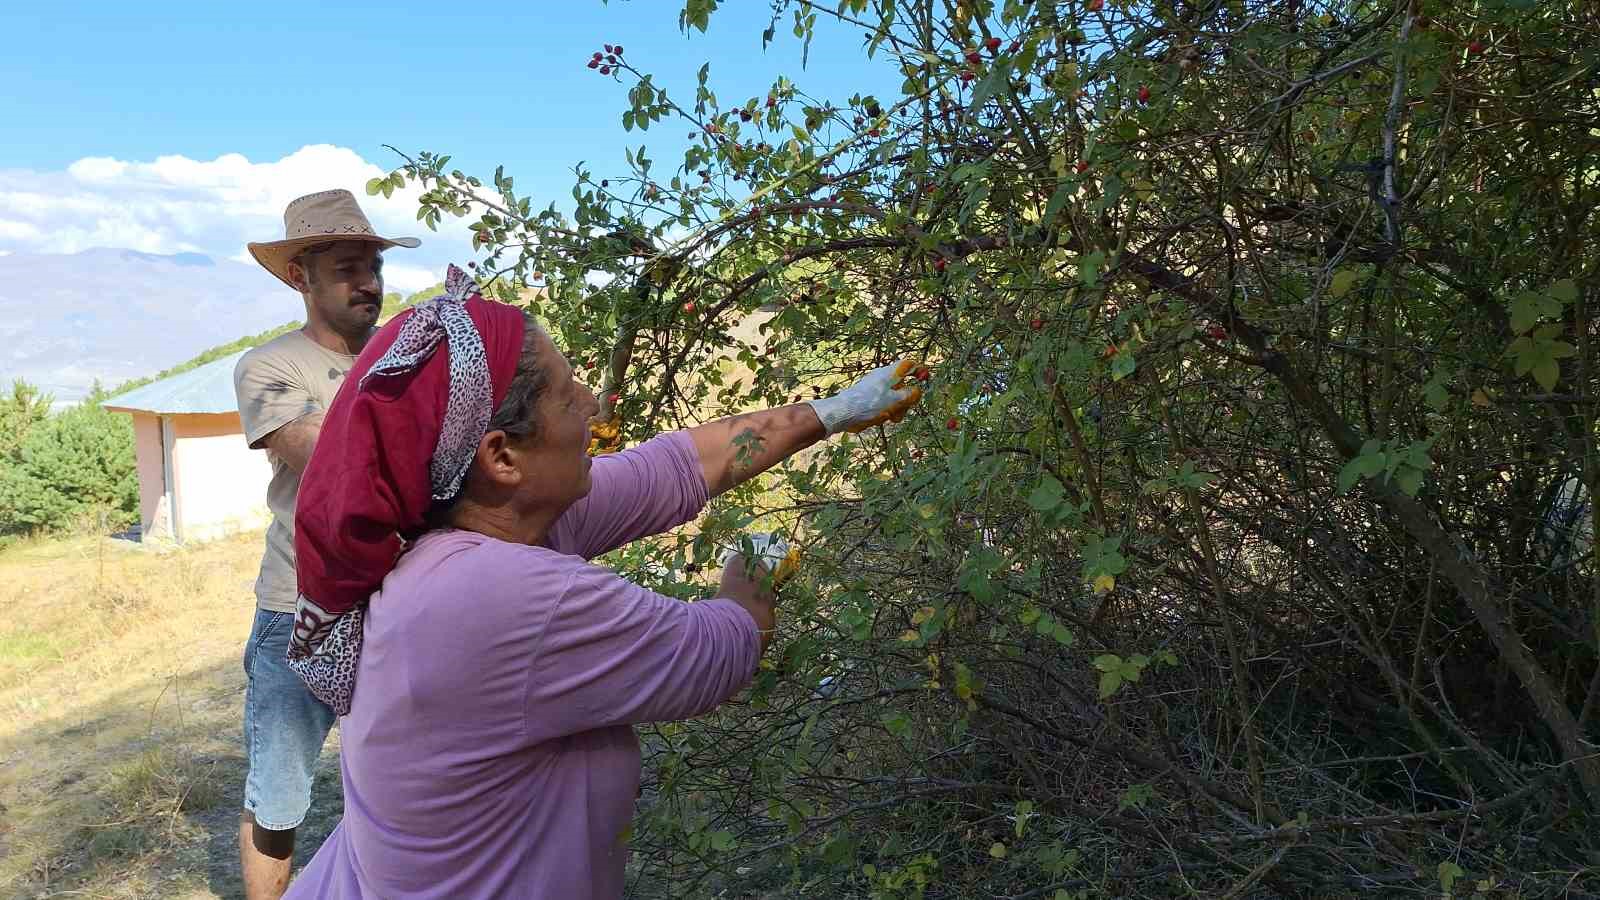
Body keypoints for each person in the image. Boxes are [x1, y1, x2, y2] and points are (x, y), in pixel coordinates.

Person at [279, 265, 923, 898]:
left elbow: (675, 468)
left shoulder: (482, 525)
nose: (591, 402)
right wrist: (749, 572)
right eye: (566, 394)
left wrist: (836, 410)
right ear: (501, 456)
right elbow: (716, 652)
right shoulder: (496, 595)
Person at [232, 189, 421, 900]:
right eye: (347, 267)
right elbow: (316, 453)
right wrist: (420, 415)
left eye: (372, 265)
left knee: (400, 781)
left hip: (402, 599)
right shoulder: (270, 366)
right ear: (299, 276)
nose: (368, 282)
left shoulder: (409, 355)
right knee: (279, 800)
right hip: (299, 609)